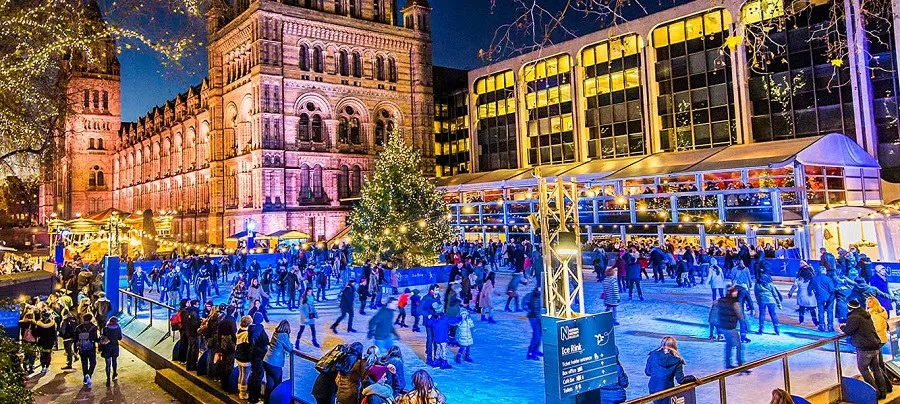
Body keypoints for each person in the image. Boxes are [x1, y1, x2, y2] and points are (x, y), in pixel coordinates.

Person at [841, 299, 890, 399]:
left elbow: (849, 331)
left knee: (863, 368)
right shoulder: (866, 315)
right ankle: (883, 391)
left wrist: (842, 327)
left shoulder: (854, 317)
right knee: (876, 368)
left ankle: (875, 393)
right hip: (875, 345)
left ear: (849, 308)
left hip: (865, 347)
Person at [645, 336, 690, 404]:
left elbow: (648, 372)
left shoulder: (653, 355)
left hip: (654, 387)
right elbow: (681, 380)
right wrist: (692, 378)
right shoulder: (677, 360)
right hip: (667, 389)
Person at [718, 287, 747, 369]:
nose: (736, 293)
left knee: (729, 344)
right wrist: (744, 324)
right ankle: (740, 362)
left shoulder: (721, 300)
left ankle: (727, 362)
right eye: (735, 292)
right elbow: (740, 316)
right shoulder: (735, 303)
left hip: (723, 326)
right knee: (738, 345)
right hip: (730, 327)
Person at [264, 320, 294, 400]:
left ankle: (267, 401)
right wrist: (291, 344)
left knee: (270, 384)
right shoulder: (283, 335)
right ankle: (275, 401)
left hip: (267, 360)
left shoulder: (276, 333)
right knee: (277, 384)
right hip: (275, 363)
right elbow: (289, 348)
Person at [248, 312, 269, 403]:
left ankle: (251, 396)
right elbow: (264, 340)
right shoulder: (259, 328)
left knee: (254, 375)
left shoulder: (251, 328)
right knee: (258, 376)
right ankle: (254, 398)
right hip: (258, 356)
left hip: (254, 355)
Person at [217, 306, 238, 391]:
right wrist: (235, 342)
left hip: (223, 343)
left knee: (224, 362)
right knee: (229, 364)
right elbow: (233, 333)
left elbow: (219, 333)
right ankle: (227, 383)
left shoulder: (223, 319)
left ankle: (223, 382)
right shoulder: (232, 320)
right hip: (229, 344)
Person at [76, 313, 99, 387]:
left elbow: (75, 339)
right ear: (90, 318)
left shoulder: (78, 327)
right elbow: (95, 338)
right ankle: (89, 375)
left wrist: (75, 349)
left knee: (84, 363)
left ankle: (85, 377)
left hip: (82, 348)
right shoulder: (93, 327)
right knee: (93, 362)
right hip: (91, 348)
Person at [810, 266, 837, 332]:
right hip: (828, 298)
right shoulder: (828, 279)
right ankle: (830, 326)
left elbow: (809, 288)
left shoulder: (814, 279)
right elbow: (832, 290)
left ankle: (821, 326)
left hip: (819, 297)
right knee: (830, 312)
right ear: (824, 271)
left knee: (820, 311)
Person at [234, 316, 253, 400]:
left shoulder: (239, 331)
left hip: (238, 356)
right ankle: (243, 393)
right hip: (245, 358)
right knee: (245, 375)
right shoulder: (246, 334)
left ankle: (239, 389)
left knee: (241, 374)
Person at [100, 316, 122, 386]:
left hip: (107, 348)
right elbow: (120, 338)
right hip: (115, 347)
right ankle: (114, 373)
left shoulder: (105, 328)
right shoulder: (118, 328)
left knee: (108, 364)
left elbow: (102, 337)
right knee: (114, 361)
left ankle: (108, 379)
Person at [182, 300, 202, 371]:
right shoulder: (194, 314)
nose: (199, 306)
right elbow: (195, 325)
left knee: (190, 349)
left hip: (189, 333)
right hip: (194, 334)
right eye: (197, 304)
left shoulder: (187, 312)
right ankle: (192, 365)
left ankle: (189, 365)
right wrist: (200, 322)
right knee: (194, 350)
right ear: (194, 305)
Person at [525, 286, 543, 360]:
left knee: (539, 334)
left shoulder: (538, 295)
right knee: (537, 335)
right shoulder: (535, 296)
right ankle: (531, 352)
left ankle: (536, 350)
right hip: (534, 318)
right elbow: (536, 309)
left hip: (537, 317)